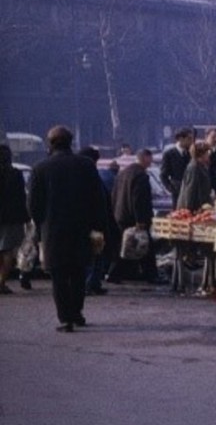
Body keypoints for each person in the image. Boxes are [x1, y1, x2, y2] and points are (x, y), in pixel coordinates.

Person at [28, 126, 109, 331]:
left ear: (50, 143)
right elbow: (98, 198)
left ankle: (66, 318)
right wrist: (98, 225)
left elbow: (33, 205)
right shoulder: (86, 165)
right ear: (70, 142)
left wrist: (40, 225)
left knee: (59, 275)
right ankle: (77, 312)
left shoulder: (40, 168)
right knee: (79, 272)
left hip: (53, 230)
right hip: (81, 229)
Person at [109, 149, 160, 284]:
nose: (151, 162)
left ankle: (116, 273)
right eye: (150, 159)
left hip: (120, 215)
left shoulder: (123, 173)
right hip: (133, 218)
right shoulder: (141, 176)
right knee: (144, 246)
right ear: (144, 158)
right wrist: (141, 220)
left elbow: (114, 195)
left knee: (124, 246)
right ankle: (151, 275)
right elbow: (139, 199)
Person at [77, 147, 118, 296]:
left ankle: (94, 283)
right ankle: (90, 283)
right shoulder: (90, 175)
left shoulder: (82, 174)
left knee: (96, 254)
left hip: (88, 221)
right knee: (94, 254)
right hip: (93, 221)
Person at [0, 144, 29, 294]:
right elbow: (21, 197)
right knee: (7, 251)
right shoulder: (15, 174)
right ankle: (1, 282)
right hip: (11, 218)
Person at [161, 128, 194, 205]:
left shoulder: (190, 153)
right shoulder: (169, 154)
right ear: (180, 139)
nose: (191, 141)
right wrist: (171, 188)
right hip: (177, 191)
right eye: (189, 138)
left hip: (189, 190)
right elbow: (163, 175)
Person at [177, 142, 213, 212]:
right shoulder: (194, 167)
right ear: (201, 154)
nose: (209, 155)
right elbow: (190, 189)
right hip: (194, 208)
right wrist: (188, 210)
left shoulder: (202, 166)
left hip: (201, 206)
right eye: (207, 152)